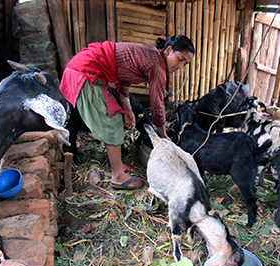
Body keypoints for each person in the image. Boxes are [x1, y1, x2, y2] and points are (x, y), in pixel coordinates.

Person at [59, 35, 194, 190]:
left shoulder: (152, 55)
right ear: (169, 50)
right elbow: (157, 106)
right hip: (85, 71)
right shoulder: (158, 66)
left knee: (117, 115)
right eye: (180, 59)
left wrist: (127, 106)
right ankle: (117, 176)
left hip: (84, 66)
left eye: (186, 63)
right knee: (112, 120)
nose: (181, 66)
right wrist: (163, 135)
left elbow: (124, 76)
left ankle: (118, 165)